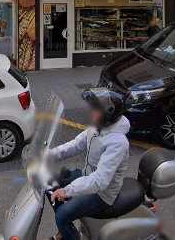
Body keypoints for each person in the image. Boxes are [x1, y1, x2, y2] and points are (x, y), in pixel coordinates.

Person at [47, 88, 130, 240]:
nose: (91, 112)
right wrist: (48, 155)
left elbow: (100, 181)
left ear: (109, 113)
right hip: (88, 177)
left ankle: (68, 231)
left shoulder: (118, 143)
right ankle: (66, 230)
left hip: (103, 194)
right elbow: (75, 145)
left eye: (96, 109)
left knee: (62, 215)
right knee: (50, 183)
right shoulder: (97, 128)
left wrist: (67, 190)